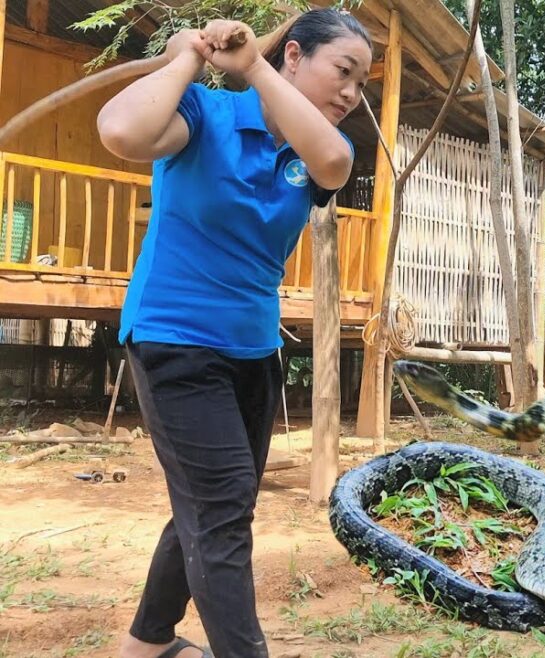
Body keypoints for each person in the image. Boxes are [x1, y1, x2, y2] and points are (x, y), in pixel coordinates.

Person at [96, 9, 372, 658]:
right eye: (344, 71)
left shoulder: (318, 151)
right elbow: (119, 130)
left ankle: (146, 643)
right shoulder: (204, 115)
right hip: (174, 343)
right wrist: (186, 59)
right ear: (297, 56)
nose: (352, 93)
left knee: (217, 505)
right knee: (219, 517)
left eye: (362, 82)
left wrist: (251, 67)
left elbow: (333, 162)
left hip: (254, 354)